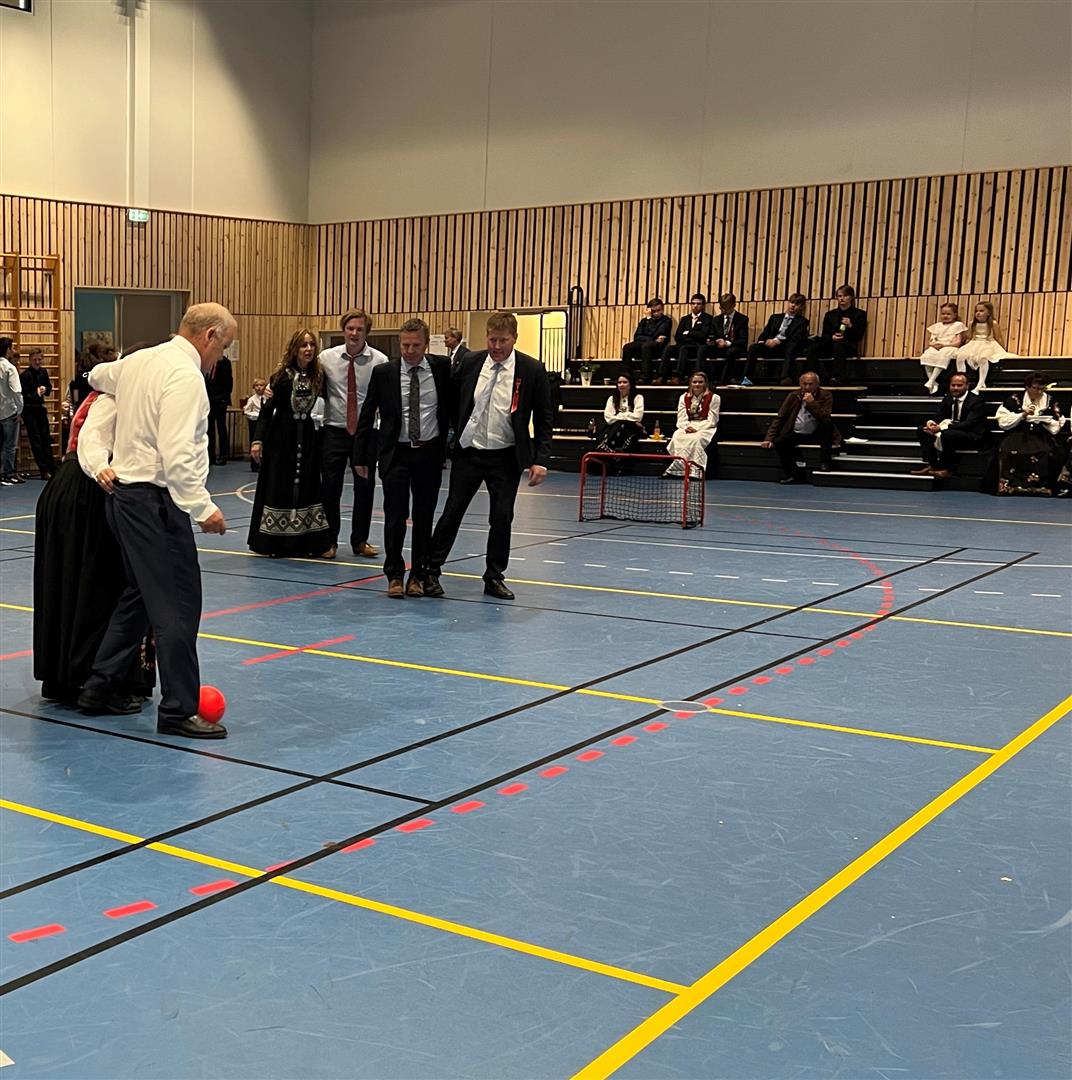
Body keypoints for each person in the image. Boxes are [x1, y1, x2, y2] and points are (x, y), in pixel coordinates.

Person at [77, 303, 234, 739]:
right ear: (209, 336)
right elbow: (177, 452)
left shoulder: (139, 362)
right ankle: (179, 708)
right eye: (223, 347)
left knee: (141, 596)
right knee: (179, 604)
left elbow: (97, 376)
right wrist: (203, 507)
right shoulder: (185, 377)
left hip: (124, 501)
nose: (220, 358)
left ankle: (99, 686)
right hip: (155, 503)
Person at [33, 346, 160, 705]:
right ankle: (97, 679)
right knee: (99, 586)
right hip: (89, 491)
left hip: (68, 489)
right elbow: (93, 441)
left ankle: (66, 675)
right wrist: (102, 468)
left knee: (70, 583)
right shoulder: (114, 398)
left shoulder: (103, 393)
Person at [424, 312, 553, 601]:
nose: (496, 346)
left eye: (503, 341)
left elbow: (545, 417)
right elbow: (452, 400)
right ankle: (430, 571)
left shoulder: (531, 369)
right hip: (469, 453)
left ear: (515, 338)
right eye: (492, 340)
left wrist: (540, 459)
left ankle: (494, 576)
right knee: (452, 513)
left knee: (502, 518)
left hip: (505, 456)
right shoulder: (471, 362)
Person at [354, 318, 450, 597]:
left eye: (415, 345)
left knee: (424, 516)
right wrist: (360, 455)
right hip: (396, 454)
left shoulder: (442, 368)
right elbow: (367, 414)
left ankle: (418, 575)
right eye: (405, 345)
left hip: (429, 453)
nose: (409, 350)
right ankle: (394, 574)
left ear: (426, 344)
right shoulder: (384, 372)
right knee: (395, 516)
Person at [248, 330, 332, 558]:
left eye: (312, 345)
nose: (308, 349)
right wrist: (258, 441)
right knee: (280, 484)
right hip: (281, 439)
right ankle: (275, 542)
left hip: (307, 438)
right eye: (303, 345)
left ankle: (308, 541)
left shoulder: (318, 376)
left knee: (308, 485)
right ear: (295, 349)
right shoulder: (281, 377)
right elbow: (266, 412)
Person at [318, 309, 388, 559]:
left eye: (359, 329)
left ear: (367, 332)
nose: (354, 333)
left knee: (365, 487)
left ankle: (360, 541)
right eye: (350, 328)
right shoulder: (326, 358)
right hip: (334, 431)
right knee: (330, 487)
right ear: (343, 330)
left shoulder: (379, 360)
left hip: (365, 434)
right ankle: (329, 541)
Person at [994, 373, 1063, 495]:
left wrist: (1045, 421)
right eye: (1035, 388)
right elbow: (1002, 421)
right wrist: (1023, 415)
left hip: (1040, 435)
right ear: (1027, 387)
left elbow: (1057, 424)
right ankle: (1010, 486)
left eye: (1042, 389)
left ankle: (1041, 487)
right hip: (1018, 433)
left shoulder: (1050, 400)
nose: (1039, 392)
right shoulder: (1014, 399)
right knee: (1009, 450)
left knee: (1045, 452)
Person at [761, 371, 836, 484]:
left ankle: (825, 462)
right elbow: (780, 417)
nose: (807, 387)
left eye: (811, 384)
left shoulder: (826, 395)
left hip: (816, 433)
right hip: (798, 432)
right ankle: (794, 474)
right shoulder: (793, 395)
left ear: (817, 384)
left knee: (827, 423)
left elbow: (824, 416)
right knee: (779, 442)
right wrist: (768, 438)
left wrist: (811, 403)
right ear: (800, 384)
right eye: (804, 384)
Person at [913, 371, 990, 479]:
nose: (955, 388)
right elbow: (939, 415)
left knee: (948, 434)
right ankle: (933, 465)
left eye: (959, 385)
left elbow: (968, 424)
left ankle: (948, 469)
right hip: (952, 431)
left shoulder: (977, 402)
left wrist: (941, 428)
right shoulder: (948, 398)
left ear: (967, 386)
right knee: (922, 430)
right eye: (953, 385)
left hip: (972, 435)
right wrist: (931, 423)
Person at [800, 285, 867, 384]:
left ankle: (838, 377)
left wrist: (850, 326)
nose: (842, 298)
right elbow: (825, 334)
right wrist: (832, 337)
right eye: (839, 296)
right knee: (812, 348)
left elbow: (858, 336)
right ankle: (814, 378)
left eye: (845, 296)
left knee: (839, 345)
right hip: (831, 344)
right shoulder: (830, 314)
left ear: (851, 297)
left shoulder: (859, 314)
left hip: (848, 345)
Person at [665, 371, 720, 476]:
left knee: (696, 439)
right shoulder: (683, 397)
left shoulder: (714, 398)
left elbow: (712, 420)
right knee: (677, 436)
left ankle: (696, 471)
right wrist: (687, 427)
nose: (697, 384)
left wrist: (697, 428)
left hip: (706, 426)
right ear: (690, 383)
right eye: (694, 382)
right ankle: (679, 469)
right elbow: (681, 417)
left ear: (705, 383)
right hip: (688, 425)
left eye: (700, 382)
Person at [657, 293, 715, 384]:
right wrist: (693, 336)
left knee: (684, 349)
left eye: (698, 304)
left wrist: (688, 333)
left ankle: (679, 376)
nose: (695, 306)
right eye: (693, 303)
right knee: (669, 348)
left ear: (703, 306)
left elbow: (703, 335)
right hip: (684, 344)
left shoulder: (708, 318)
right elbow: (678, 336)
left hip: (697, 346)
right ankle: (661, 375)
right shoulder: (685, 319)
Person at [956, 301, 1014, 391]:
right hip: (974, 343)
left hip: (988, 343)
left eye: (981, 311)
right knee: (960, 356)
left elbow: (998, 338)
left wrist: (1002, 349)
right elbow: (969, 337)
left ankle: (981, 382)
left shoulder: (993, 323)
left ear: (988, 313)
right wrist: (966, 347)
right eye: (976, 311)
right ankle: (962, 379)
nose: (978, 313)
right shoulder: (972, 323)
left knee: (983, 357)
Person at [19, 347, 56, 480]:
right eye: (35, 359)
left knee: (46, 438)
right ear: (30, 359)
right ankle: (43, 469)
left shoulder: (43, 372)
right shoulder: (25, 375)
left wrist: (46, 389)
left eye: (40, 359)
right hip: (29, 410)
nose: (37, 362)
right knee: (36, 440)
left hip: (40, 408)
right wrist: (36, 394)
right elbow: (22, 396)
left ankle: (51, 467)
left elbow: (49, 388)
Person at [920, 303, 968, 394]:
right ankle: (933, 381)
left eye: (948, 314)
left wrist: (944, 345)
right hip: (938, 346)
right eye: (943, 314)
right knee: (927, 355)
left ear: (955, 315)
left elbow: (958, 343)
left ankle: (931, 381)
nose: (945, 316)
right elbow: (931, 341)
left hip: (950, 347)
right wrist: (934, 345)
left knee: (944, 354)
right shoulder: (937, 326)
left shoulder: (958, 325)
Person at [702, 293, 748, 384]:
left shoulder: (742, 319)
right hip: (719, 346)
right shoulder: (716, 320)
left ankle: (724, 380)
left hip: (735, 347)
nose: (724, 311)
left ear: (734, 305)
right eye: (721, 308)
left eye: (726, 308)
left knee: (731, 352)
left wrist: (727, 343)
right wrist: (713, 341)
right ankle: (711, 378)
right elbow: (712, 335)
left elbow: (743, 340)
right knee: (703, 349)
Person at [621, 298, 672, 381]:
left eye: (658, 310)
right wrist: (653, 338)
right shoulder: (644, 321)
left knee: (646, 346)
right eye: (653, 311)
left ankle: (645, 376)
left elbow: (659, 333)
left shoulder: (666, 321)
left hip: (658, 348)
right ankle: (626, 375)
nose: (656, 313)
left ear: (662, 309)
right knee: (627, 347)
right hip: (644, 344)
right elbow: (637, 336)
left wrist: (649, 320)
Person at [596, 371, 645, 452]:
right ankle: (614, 451)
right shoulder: (612, 398)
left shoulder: (638, 397)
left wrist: (619, 416)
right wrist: (627, 416)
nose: (621, 385)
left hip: (632, 429)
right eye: (619, 382)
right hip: (614, 428)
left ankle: (606, 448)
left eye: (625, 382)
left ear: (630, 385)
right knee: (619, 425)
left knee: (623, 425)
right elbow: (609, 419)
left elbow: (638, 417)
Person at [0, 337, 23, 486]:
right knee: (9, 446)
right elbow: (16, 391)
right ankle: (7, 474)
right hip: (9, 411)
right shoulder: (10, 368)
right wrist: (19, 410)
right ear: (8, 350)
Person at [205, 351, 233, 465]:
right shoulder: (207, 362)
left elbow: (228, 383)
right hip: (208, 400)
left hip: (220, 401)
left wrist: (222, 398)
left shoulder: (224, 362)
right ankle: (210, 455)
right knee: (209, 428)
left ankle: (223, 455)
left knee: (221, 428)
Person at [243, 377, 268, 471]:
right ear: (254, 387)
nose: (259, 387)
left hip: (265, 423)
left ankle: (264, 464)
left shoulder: (267, 398)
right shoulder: (252, 399)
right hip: (254, 422)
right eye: (257, 385)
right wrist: (256, 415)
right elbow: (246, 411)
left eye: (261, 385)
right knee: (254, 442)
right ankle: (254, 465)